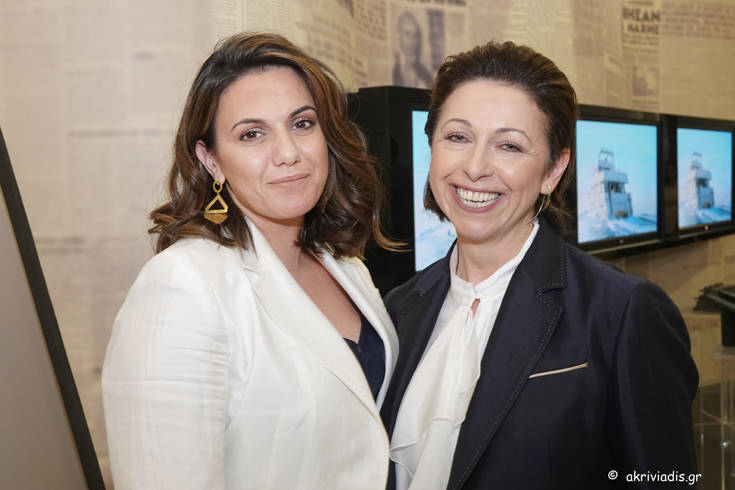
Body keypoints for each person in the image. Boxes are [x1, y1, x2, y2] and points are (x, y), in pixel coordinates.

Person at [379, 41, 698, 490]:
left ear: (553, 170)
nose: (475, 167)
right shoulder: (398, 309)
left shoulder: (623, 313)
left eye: (509, 146)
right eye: (458, 137)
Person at [101, 32, 398, 489]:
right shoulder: (183, 283)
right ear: (211, 161)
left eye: (302, 124)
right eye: (252, 134)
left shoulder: (347, 266)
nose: (288, 153)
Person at [392, 11, 433, 89]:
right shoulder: (394, 67)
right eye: (407, 34)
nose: (412, 40)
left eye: (415, 35)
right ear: (398, 35)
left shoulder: (424, 72)